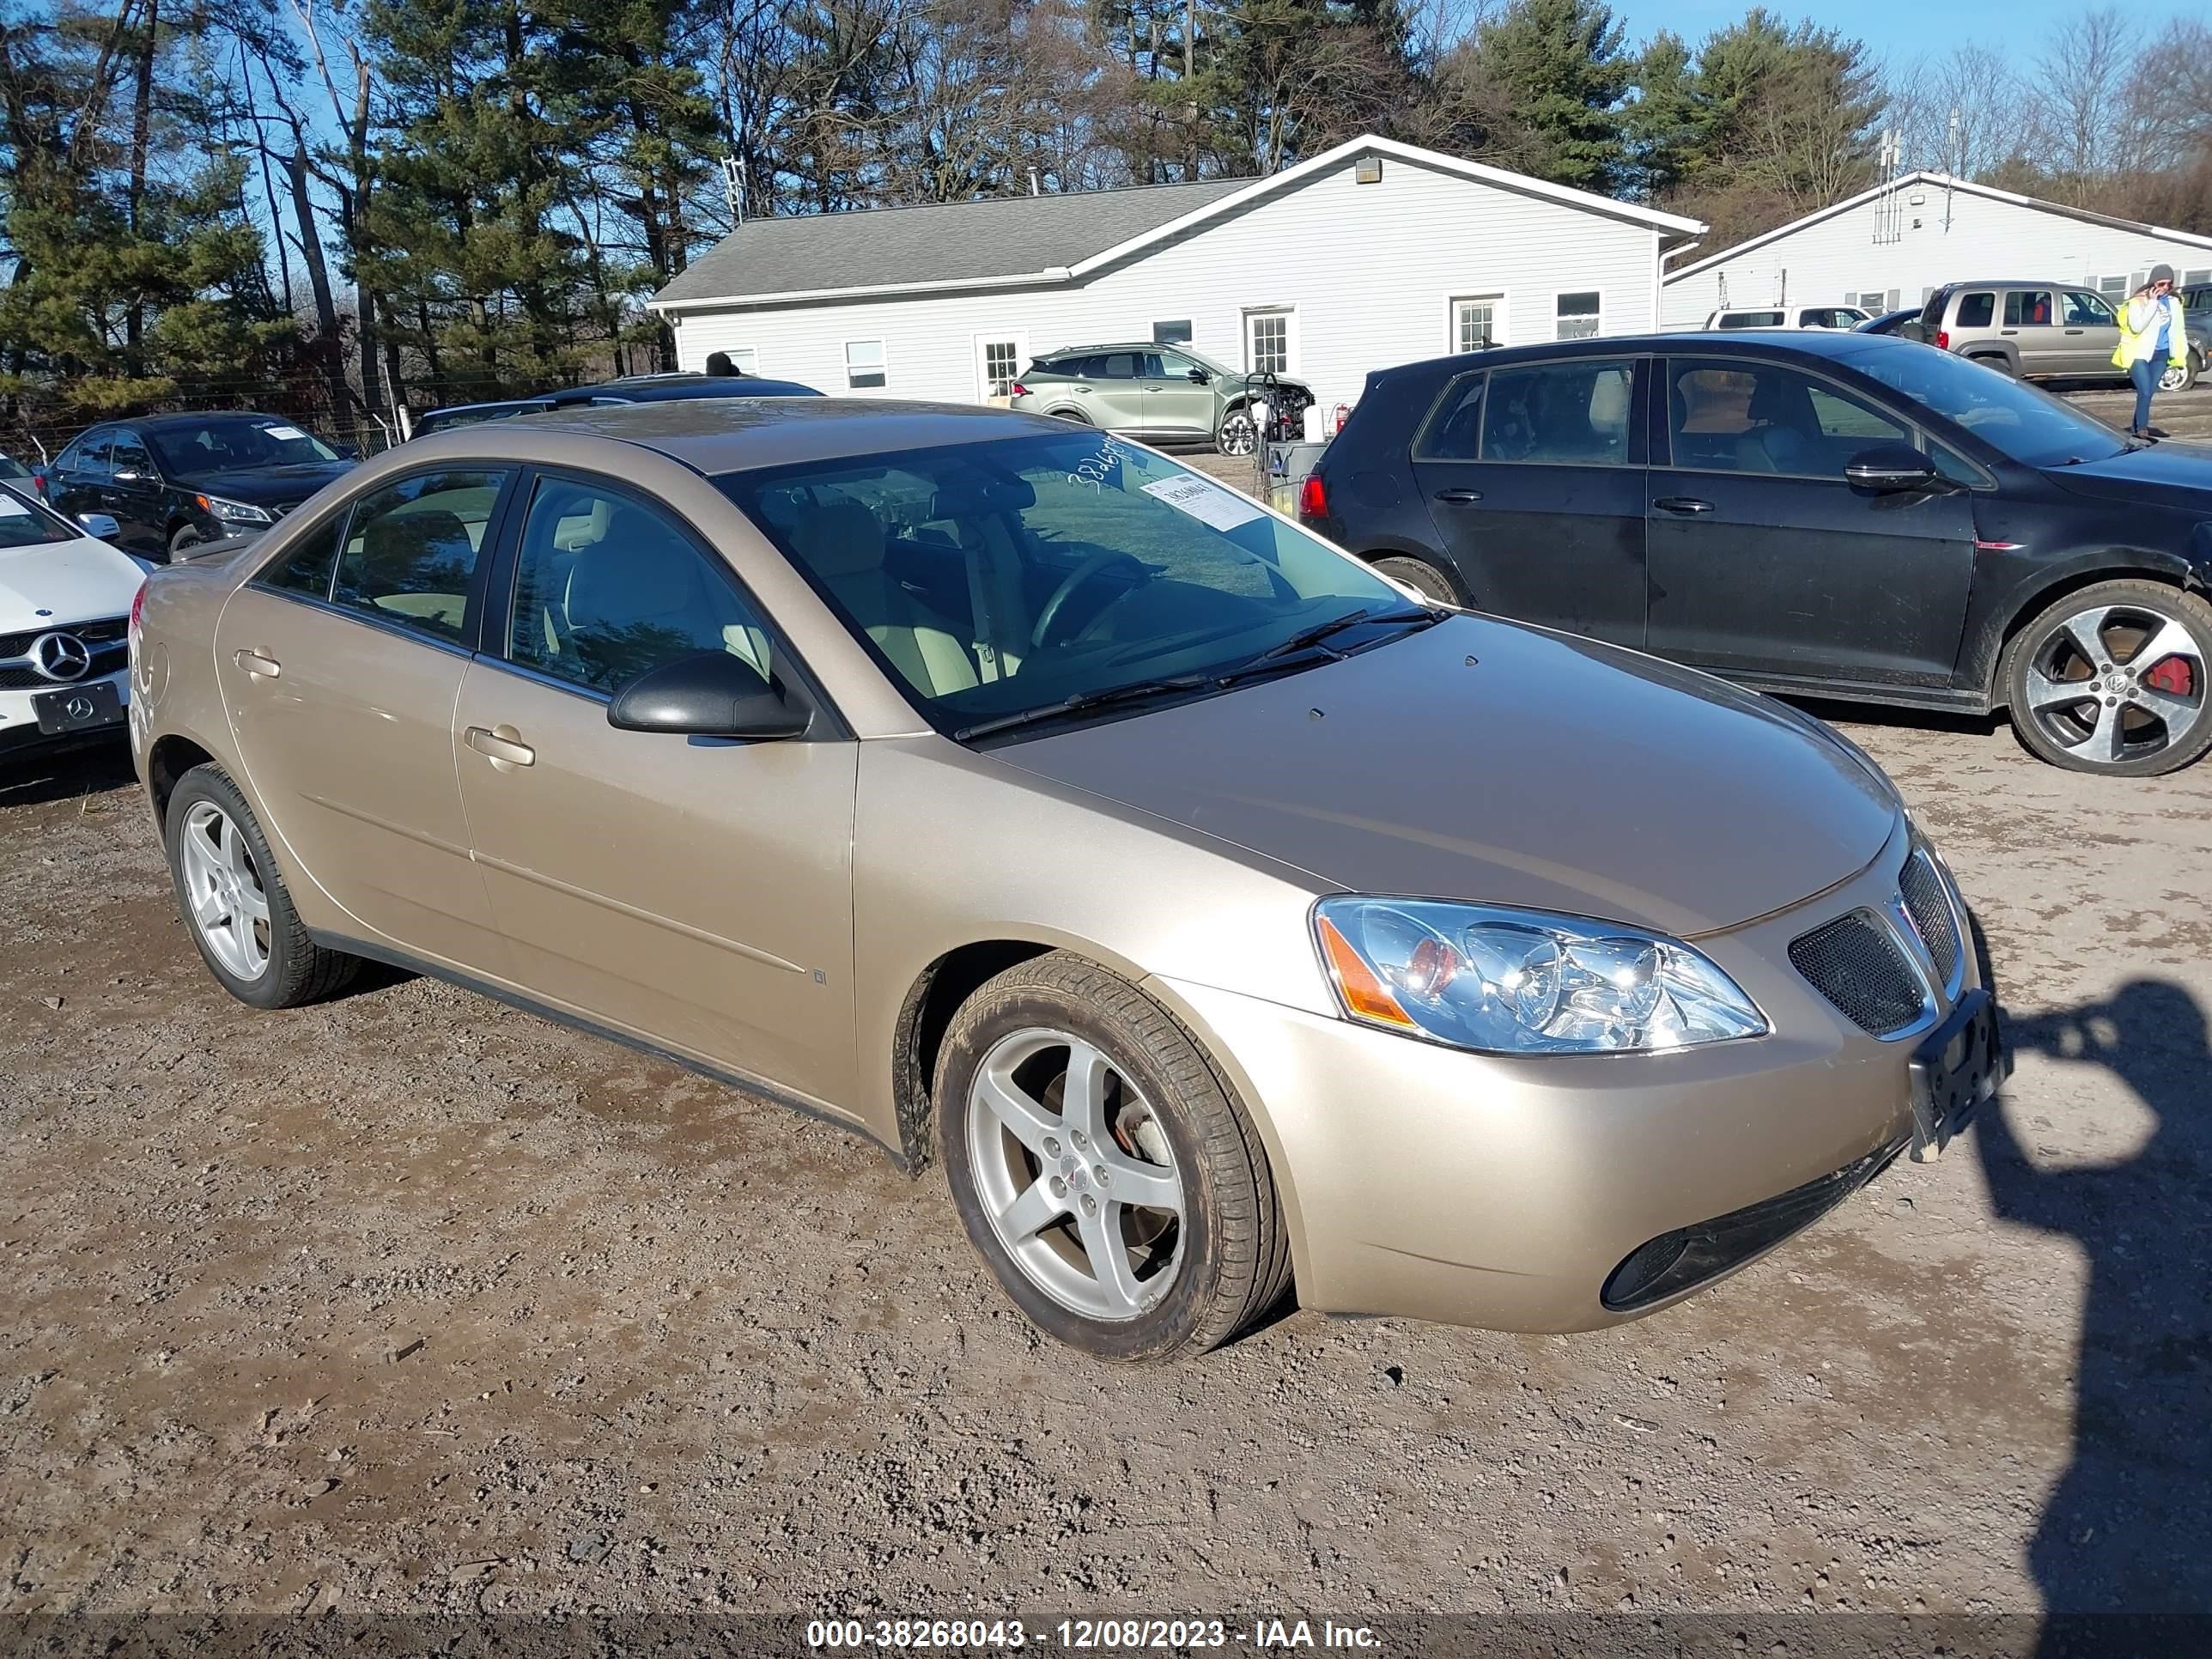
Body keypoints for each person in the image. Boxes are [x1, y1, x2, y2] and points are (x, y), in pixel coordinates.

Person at [2112, 264, 2187, 439]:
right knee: (2144, 391)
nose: (2165, 288)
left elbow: (2179, 329)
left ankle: (2136, 430)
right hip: (2139, 353)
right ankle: (2142, 430)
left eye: (2169, 284)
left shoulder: (2174, 302)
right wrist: (2152, 303)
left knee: (2148, 393)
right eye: (2161, 284)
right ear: (2153, 283)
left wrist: (2179, 354)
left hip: (2162, 353)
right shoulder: (2137, 302)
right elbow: (2137, 327)